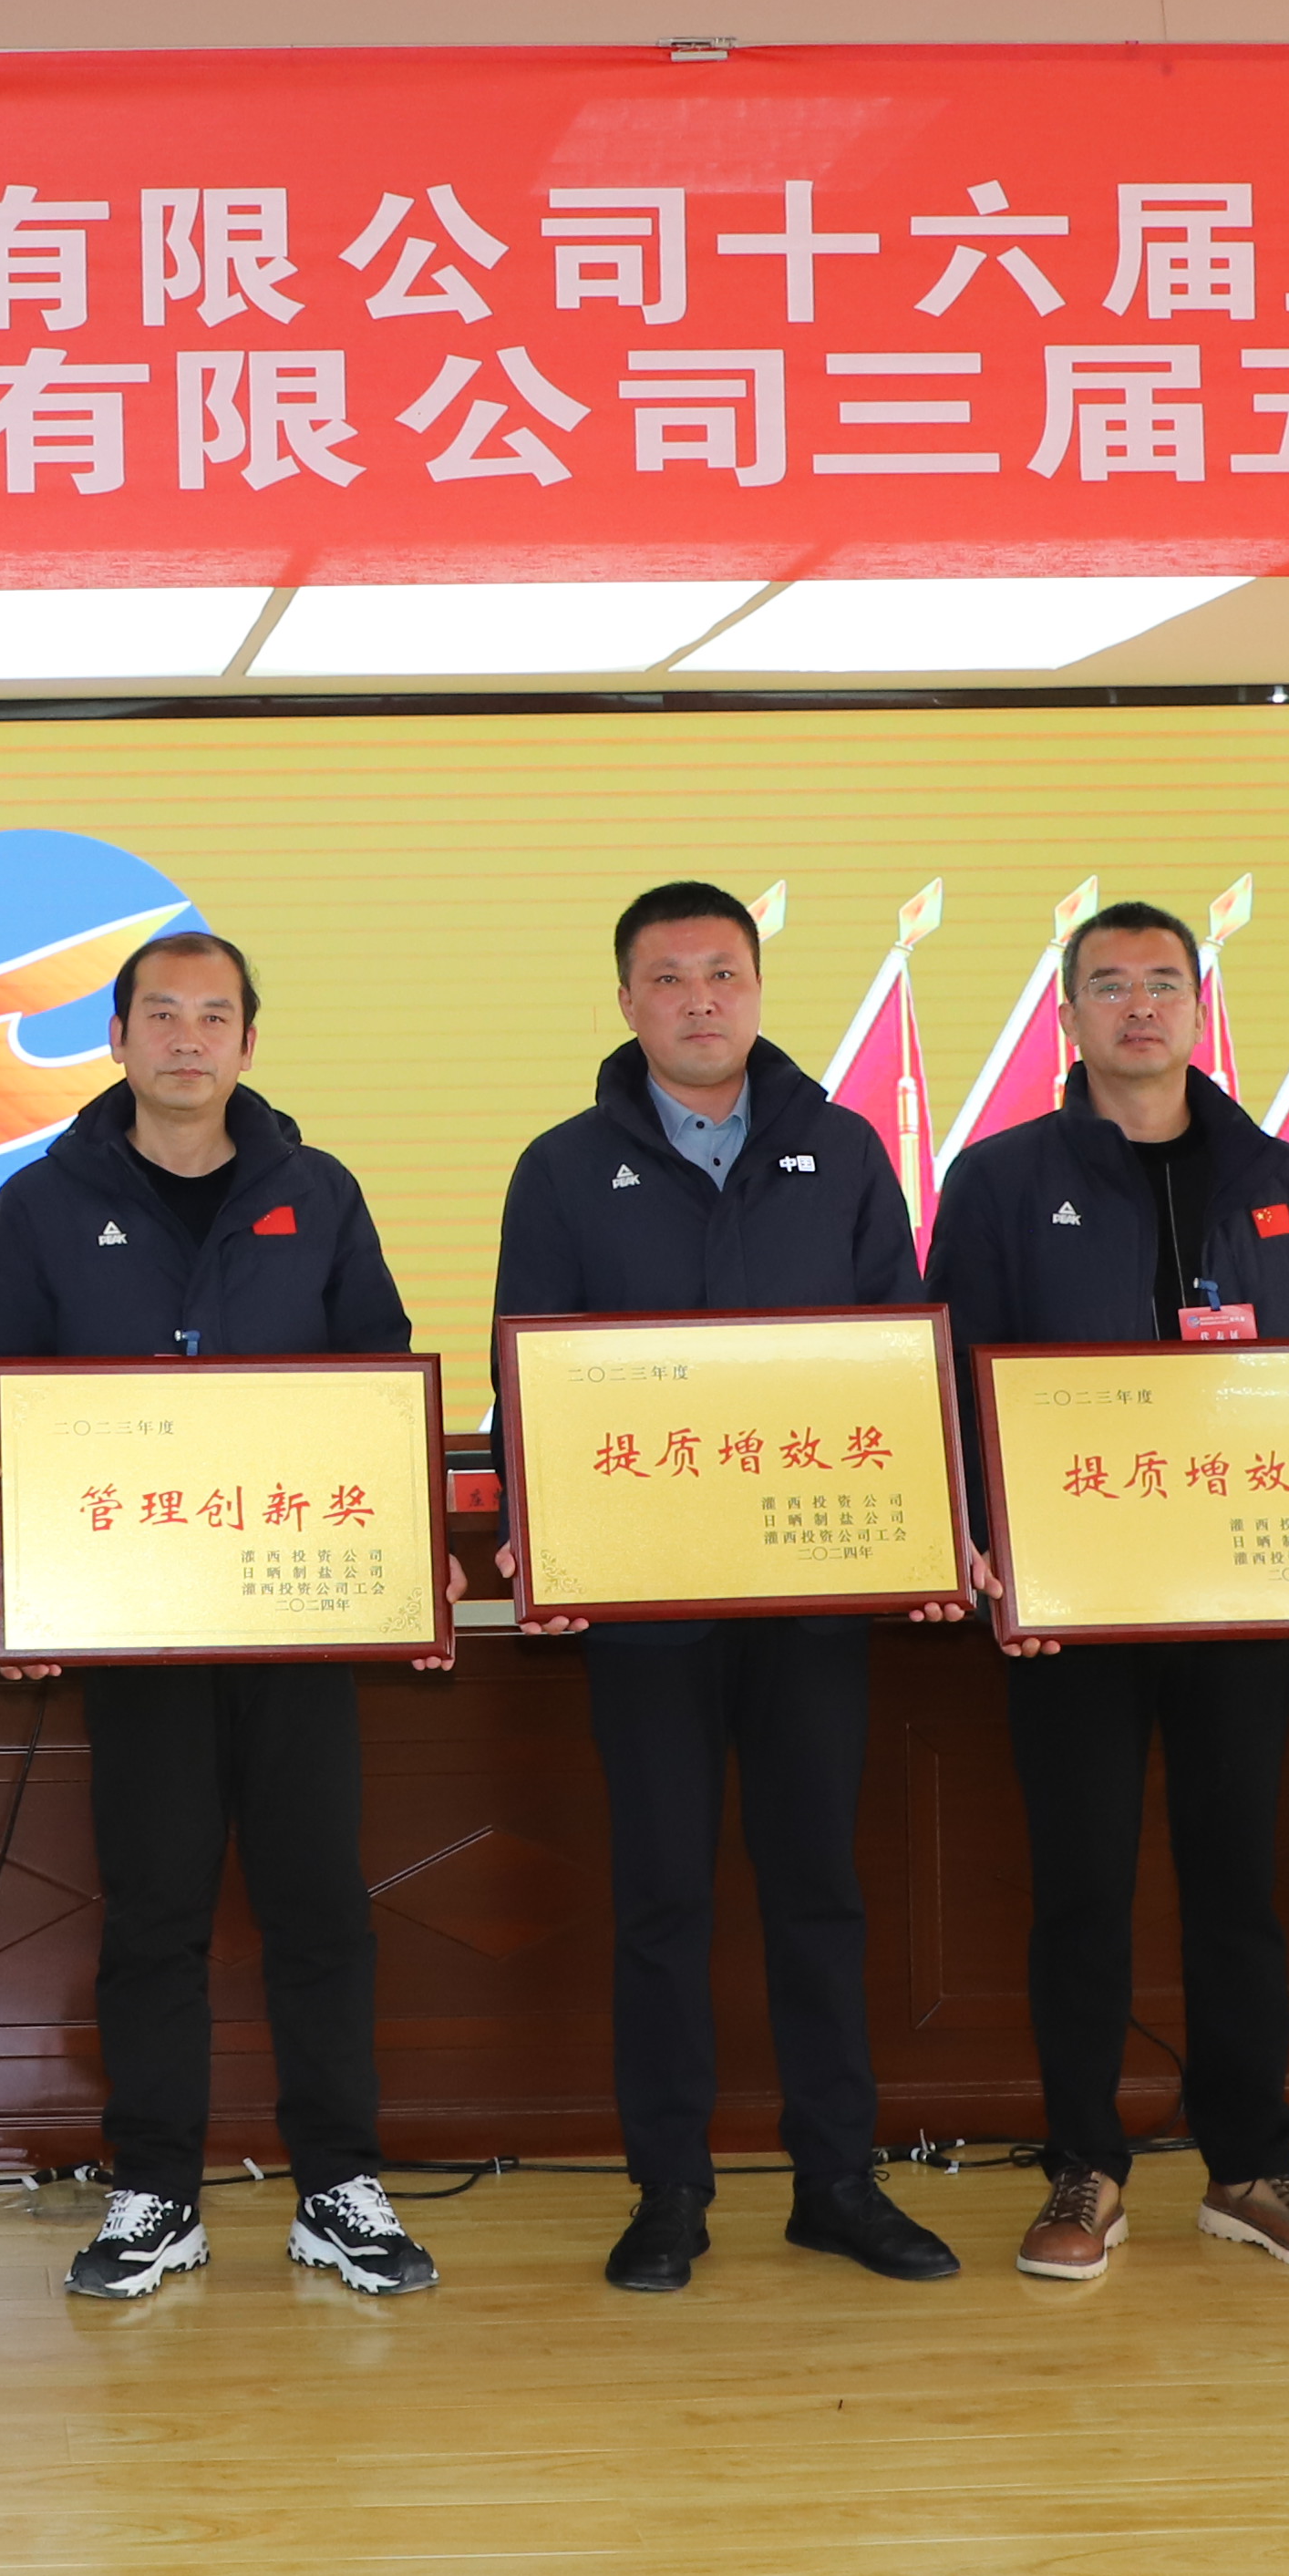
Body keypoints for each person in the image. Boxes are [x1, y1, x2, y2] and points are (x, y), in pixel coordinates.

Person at [490, 880, 961, 2294]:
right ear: (626, 1002)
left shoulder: (844, 1149)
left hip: (813, 1592)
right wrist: (539, 1531)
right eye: (669, 978)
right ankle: (670, 2191)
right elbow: (530, 1365)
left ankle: (838, 2181)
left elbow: (900, 1351)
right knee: (660, 1899)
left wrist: (928, 1526)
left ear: (757, 990)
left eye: (723, 974)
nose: (700, 1000)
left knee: (820, 1891)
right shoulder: (563, 1168)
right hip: (644, 1604)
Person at [0, 928, 443, 2303]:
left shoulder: (319, 1191)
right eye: (160, 1015)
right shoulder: (42, 1204)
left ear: (248, 1041)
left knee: (319, 1906)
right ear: (116, 1039)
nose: (187, 1038)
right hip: (135, 1622)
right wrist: (20, 1577)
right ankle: (155, 2192)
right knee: (155, 1915)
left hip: (296, 1614)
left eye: (214, 1016)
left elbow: (379, 1387)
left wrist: (406, 1570)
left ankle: (337, 2186)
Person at [926, 901, 1289, 2284]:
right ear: (1069, 1015)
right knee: (1082, 1890)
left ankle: (1251, 2167)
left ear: (1199, 1007)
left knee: (1239, 1886)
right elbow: (951, 1372)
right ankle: (1085, 2169)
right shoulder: (1002, 1178)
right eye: (1110, 984)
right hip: (1073, 1600)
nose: (1140, 1006)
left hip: (1243, 1594)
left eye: (1165, 983)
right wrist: (979, 1540)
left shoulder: (1285, 1177)